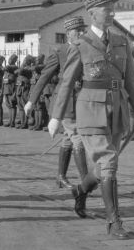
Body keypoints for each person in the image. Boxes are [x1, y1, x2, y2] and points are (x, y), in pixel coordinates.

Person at [48, 0, 134, 239]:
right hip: (90, 111)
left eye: (113, 7)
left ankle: (80, 191)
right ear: (92, 13)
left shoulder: (121, 42)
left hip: (117, 111)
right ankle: (114, 222)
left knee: (104, 166)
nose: (112, 12)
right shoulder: (80, 45)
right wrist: (56, 117)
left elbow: (131, 82)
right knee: (109, 163)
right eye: (107, 8)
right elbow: (67, 83)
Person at [24, 17, 89, 188]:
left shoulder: (89, 48)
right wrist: (31, 100)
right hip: (66, 100)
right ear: (69, 34)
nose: (82, 33)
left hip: (82, 99)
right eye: (78, 31)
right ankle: (86, 181)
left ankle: (61, 176)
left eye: (83, 30)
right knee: (77, 137)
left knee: (68, 138)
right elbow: (44, 76)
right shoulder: (60, 51)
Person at [2, 54, 19, 127]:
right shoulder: (7, 70)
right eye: (10, 58)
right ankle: (10, 120)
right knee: (8, 106)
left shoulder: (14, 67)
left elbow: (6, 67)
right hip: (6, 89)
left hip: (12, 89)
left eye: (12, 59)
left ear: (15, 60)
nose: (10, 60)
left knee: (12, 106)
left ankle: (12, 121)